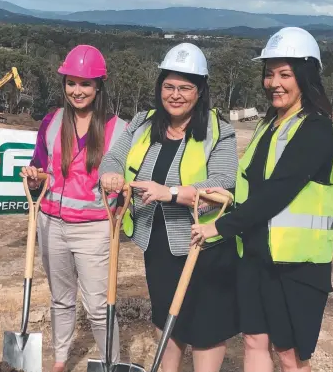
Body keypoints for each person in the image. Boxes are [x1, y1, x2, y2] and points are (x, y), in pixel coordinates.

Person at [191, 27, 333, 372]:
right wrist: (231, 200)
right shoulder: (270, 124)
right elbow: (259, 188)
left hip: (295, 265)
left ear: (305, 76)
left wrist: (219, 226)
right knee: (253, 341)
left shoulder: (316, 130)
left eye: (284, 74)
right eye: (269, 74)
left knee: (291, 357)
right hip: (256, 255)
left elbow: (279, 192)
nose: (273, 82)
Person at [99, 43, 239, 372]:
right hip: (157, 245)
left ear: (200, 91)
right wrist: (110, 173)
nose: (175, 95)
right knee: (166, 320)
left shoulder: (219, 131)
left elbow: (223, 184)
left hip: (203, 245)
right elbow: (115, 156)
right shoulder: (143, 123)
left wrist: (172, 192)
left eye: (185, 88)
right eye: (169, 86)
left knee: (206, 328)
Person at [20, 45, 126, 372]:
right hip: (52, 225)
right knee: (60, 300)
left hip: (94, 229)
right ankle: (60, 360)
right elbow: (41, 166)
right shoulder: (52, 121)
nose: (76, 91)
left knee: (97, 305)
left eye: (85, 84)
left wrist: (118, 185)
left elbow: (126, 179)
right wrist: (34, 176)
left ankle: (112, 363)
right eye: (71, 83)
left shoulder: (118, 129)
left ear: (99, 87)